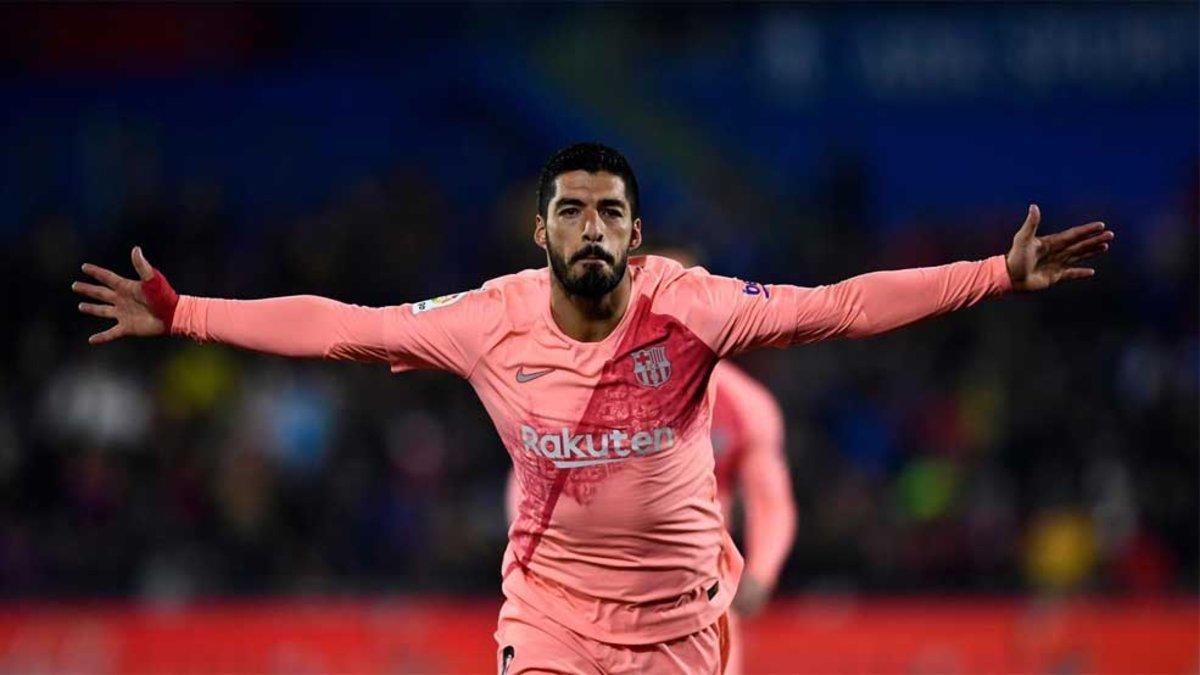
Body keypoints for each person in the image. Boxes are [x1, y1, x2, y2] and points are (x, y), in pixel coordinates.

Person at [72, 142, 1112, 674]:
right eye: (571, 208)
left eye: (611, 209)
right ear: (541, 231)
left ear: (637, 230)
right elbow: (345, 324)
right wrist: (187, 313)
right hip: (552, 622)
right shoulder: (491, 320)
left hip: (680, 632)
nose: (592, 224)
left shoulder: (691, 308)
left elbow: (842, 306)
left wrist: (994, 274)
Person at [501, 243, 795, 675]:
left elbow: (770, 501)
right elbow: (531, 482)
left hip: (691, 600)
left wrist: (762, 572)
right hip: (582, 599)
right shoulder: (580, 389)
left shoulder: (745, 406)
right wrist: (542, 570)